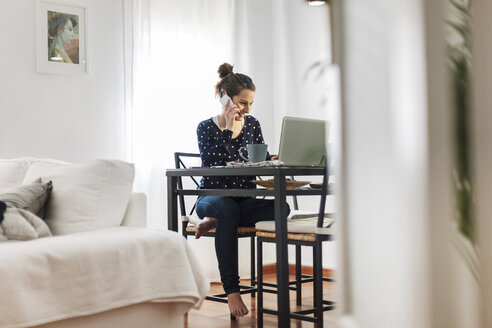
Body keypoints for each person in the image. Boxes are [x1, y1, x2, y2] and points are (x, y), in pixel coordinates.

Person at [195, 63, 290, 318]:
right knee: (225, 208)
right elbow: (213, 163)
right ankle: (232, 290)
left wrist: (272, 160)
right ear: (225, 98)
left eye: (251, 103)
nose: (247, 109)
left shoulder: (252, 124)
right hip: (212, 197)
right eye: (242, 103)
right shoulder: (206, 127)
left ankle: (215, 221)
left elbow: (256, 158)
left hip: (243, 199)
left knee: (283, 206)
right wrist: (227, 128)